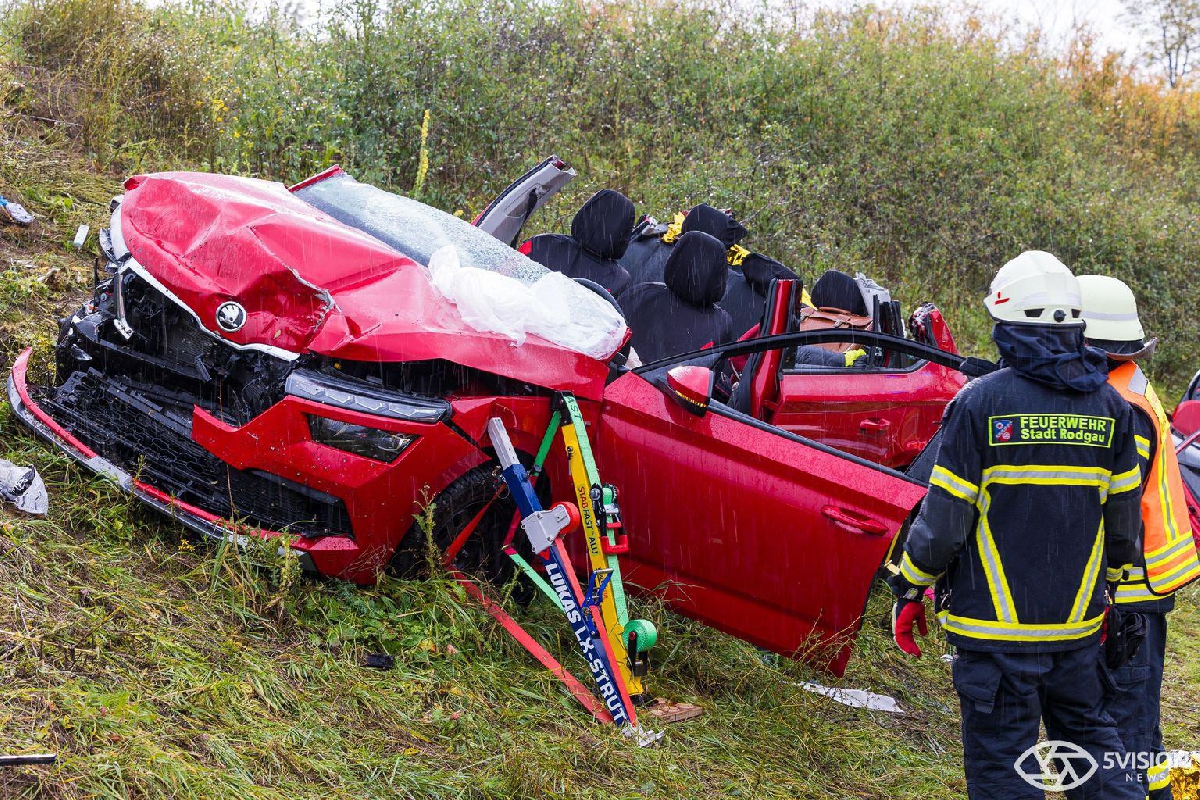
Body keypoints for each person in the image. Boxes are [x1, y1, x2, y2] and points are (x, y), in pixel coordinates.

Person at [888, 250, 1144, 800]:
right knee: (1092, 755)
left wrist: (910, 585)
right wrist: (1116, 593)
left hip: (994, 636)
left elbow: (944, 523)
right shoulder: (1112, 409)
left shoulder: (979, 404)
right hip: (1076, 630)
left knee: (1004, 771)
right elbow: (1124, 526)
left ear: (1007, 325)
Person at [1078, 274, 1200, 800]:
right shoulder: (1129, 384)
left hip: (1128, 591)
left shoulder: (1119, 407)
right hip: (1147, 585)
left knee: (1123, 733)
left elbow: (1112, 513)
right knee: (1140, 732)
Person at [619, 231, 733, 362]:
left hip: (619, 371)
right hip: (665, 376)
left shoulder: (641, 293)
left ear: (676, 258)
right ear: (719, 274)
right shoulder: (721, 324)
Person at [520, 189, 636, 298]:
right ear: (624, 232)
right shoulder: (618, 280)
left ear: (586, 211)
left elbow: (509, 279)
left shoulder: (540, 244)